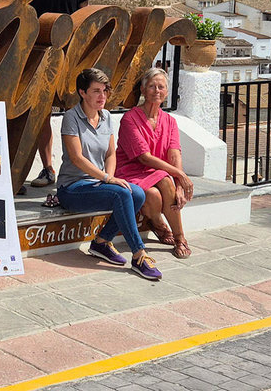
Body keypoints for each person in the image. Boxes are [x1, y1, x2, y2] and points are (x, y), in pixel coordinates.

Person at [55, 69, 161, 280]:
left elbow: (111, 153)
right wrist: (107, 180)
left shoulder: (107, 117)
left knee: (138, 194)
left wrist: (110, 178)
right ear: (82, 92)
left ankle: (102, 242)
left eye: (105, 90)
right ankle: (139, 255)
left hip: (99, 184)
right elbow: (77, 158)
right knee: (121, 194)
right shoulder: (71, 117)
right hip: (72, 188)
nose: (102, 96)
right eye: (96, 91)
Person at [24, 0, 94, 190]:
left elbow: (85, 23)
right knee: (41, 115)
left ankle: (78, 169)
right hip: (38, 60)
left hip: (71, 61)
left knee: (78, 114)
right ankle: (47, 168)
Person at [115, 68, 195, 259]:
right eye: (151, 86)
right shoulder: (130, 118)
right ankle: (160, 224)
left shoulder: (170, 121)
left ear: (167, 92)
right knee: (154, 192)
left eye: (161, 87)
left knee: (162, 185)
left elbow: (174, 154)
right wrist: (180, 176)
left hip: (156, 173)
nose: (156, 90)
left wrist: (179, 187)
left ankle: (179, 237)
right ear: (143, 90)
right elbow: (143, 157)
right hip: (131, 171)